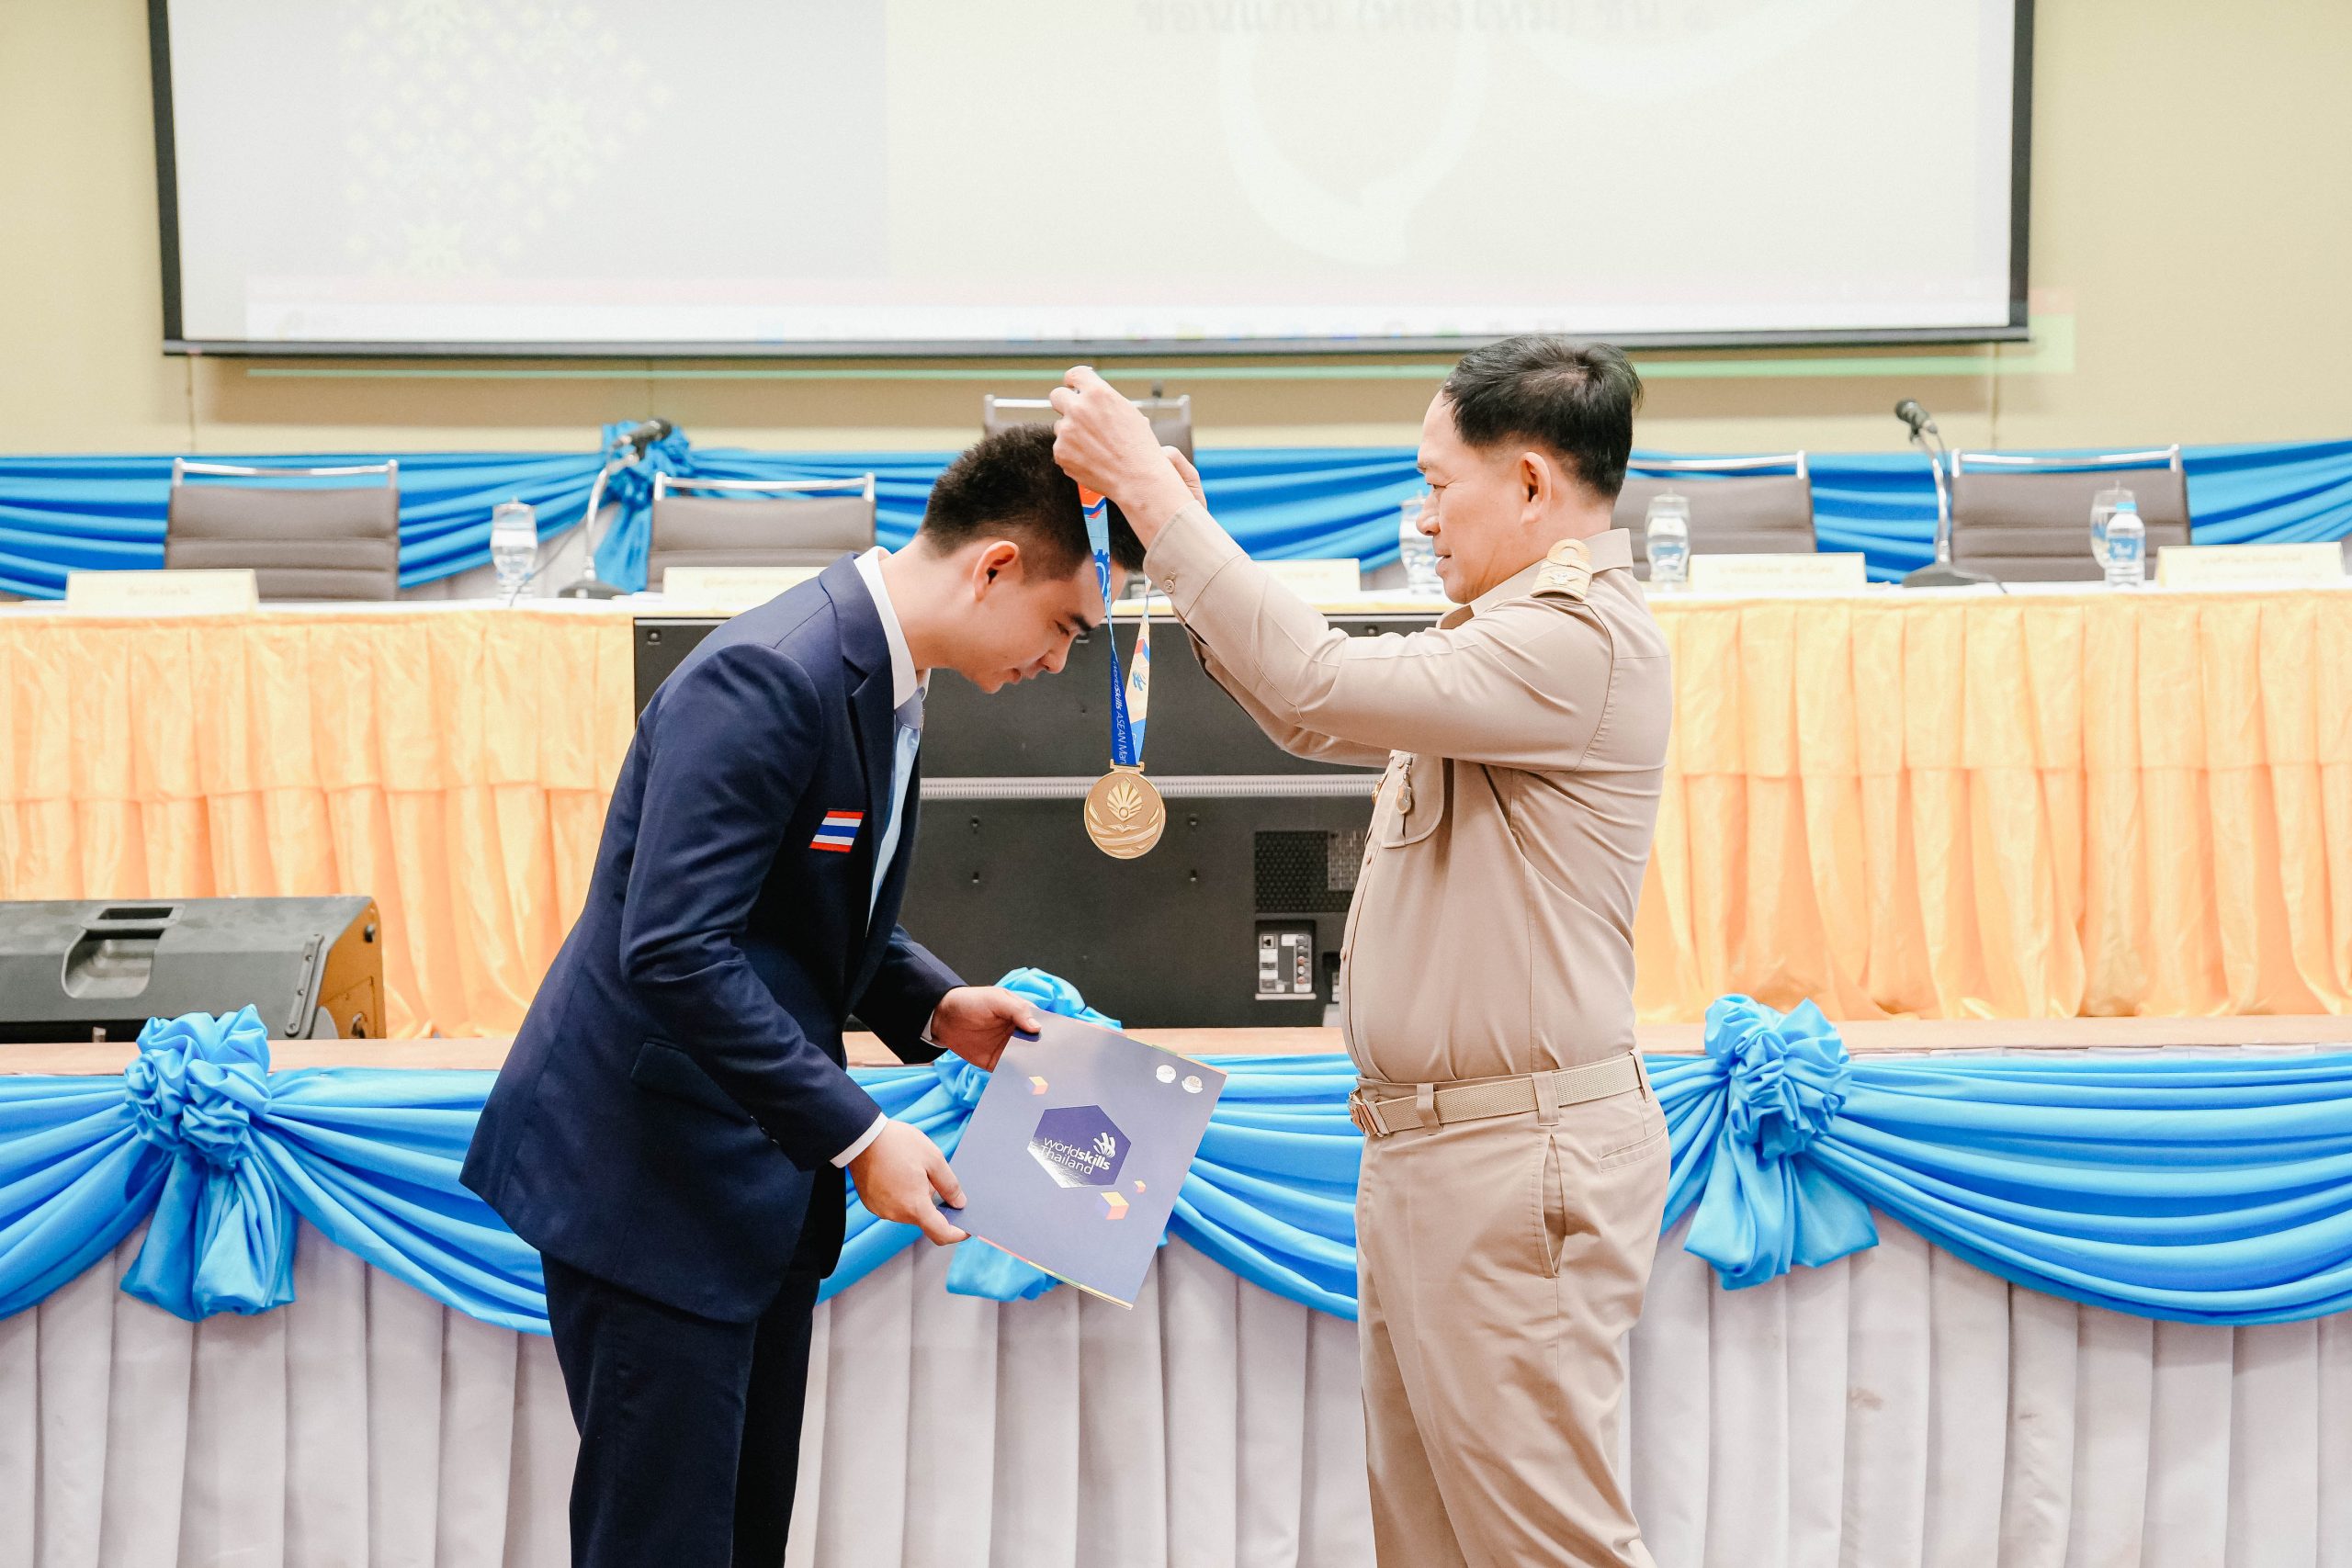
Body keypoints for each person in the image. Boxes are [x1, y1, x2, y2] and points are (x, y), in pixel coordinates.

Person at [462, 423, 1145, 1568]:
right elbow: (674, 949)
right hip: (652, 1185)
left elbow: (796, 910)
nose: (1057, 662)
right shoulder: (772, 673)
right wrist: (861, 1134)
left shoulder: (880, 676)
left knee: (738, 1542)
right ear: (994, 568)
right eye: (1066, 627)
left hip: (744, 1187)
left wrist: (934, 1008)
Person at [1051, 338, 1671, 1568]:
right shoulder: (1502, 637)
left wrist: (1158, 503)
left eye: (1439, 485)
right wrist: (1179, 540)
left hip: (1509, 1157)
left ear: (1532, 485)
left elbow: (1318, 680)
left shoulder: (1574, 639)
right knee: (1431, 1542)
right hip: (1444, 1153)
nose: (1423, 519)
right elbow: (1306, 710)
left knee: (1546, 1546)